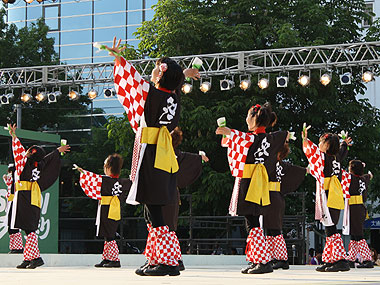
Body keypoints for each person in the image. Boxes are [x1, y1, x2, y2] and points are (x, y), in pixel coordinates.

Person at [107, 37, 198, 276]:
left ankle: (167, 261)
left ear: (161, 75)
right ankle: (160, 258)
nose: (153, 69)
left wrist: (118, 57)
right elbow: (171, 85)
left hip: (151, 151)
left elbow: (130, 79)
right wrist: (183, 75)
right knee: (152, 209)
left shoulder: (151, 93)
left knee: (155, 211)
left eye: (157, 67)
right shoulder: (173, 96)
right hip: (162, 151)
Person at [216, 103, 289, 274]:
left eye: (249, 116)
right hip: (260, 181)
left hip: (250, 182)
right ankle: (259, 259)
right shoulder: (270, 138)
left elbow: (241, 138)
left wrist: (228, 132)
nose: (246, 119)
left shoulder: (252, 138)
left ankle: (262, 261)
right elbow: (284, 135)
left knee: (253, 222)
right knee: (253, 221)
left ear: (255, 118)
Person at [136, 127, 208, 275]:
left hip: (165, 191)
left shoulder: (171, 153)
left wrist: (200, 157)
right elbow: (193, 158)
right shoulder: (173, 153)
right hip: (164, 191)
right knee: (158, 225)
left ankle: (169, 259)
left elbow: (193, 158)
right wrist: (200, 157)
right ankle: (162, 258)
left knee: (163, 226)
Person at [8, 124, 70, 269]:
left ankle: (35, 257)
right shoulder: (38, 165)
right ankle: (28, 257)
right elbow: (47, 159)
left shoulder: (24, 163)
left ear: (29, 155)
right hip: (31, 195)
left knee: (29, 228)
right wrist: (57, 151)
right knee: (27, 226)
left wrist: (14, 136)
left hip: (24, 195)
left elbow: (18, 150)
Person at [302, 127, 351, 272]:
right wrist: (344, 143)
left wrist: (305, 139)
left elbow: (311, 151)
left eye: (321, 143)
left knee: (331, 229)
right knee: (329, 227)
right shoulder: (336, 157)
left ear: (327, 145)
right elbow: (342, 150)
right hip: (334, 193)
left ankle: (340, 260)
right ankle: (331, 259)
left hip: (327, 194)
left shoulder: (323, 158)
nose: (318, 145)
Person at [75, 154, 131, 268]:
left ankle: (114, 259)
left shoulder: (104, 180)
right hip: (113, 207)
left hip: (107, 208)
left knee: (109, 234)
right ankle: (107, 257)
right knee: (107, 233)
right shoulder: (124, 181)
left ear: (109, 168)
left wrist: (82, 172)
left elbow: (92, 177)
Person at [263, 143, 307, 270]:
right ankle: (273, 256)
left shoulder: (269, 163)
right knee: (271, 229)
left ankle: (282, 258)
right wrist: (306, 170)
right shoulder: (283, 165)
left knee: (275, 229)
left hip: (271, 196)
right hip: (276, 196)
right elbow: (298, 170)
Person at [342, 160, 374, 268]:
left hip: (354, 208)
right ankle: (351, 258)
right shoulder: (363, 179)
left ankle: (367, 259)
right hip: (359, 207)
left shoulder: (350, 178)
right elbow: (368, 176)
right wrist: (369, 175)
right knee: (354, 234)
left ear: (352, 169)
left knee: (358, 235)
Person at [2, 163, 24, 254]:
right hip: (10, 203)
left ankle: (19, 247)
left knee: (14, 226)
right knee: (10, 228)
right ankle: (14, 247)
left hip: (14, 202)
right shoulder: (11, 180)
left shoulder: (17, 179)